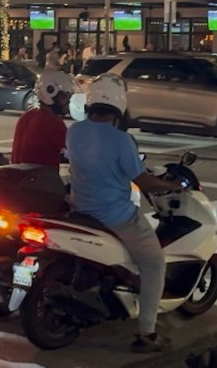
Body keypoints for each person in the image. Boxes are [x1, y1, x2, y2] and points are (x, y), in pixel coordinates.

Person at [66, 74, 177, 353]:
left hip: (79, 208)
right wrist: (171, 185)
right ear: (119, 105)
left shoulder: (74, 132)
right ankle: (147, 333)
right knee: (154, 264)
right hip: (116, 216)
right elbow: (143, 181)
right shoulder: (121, 140)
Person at [11, 71, 76, 169]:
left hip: (19, 178)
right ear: (50, 94)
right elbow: (71, 152)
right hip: (40, 180)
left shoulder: (26, 116)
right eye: (64, 97)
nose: (68, 101)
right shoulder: (51, 121)